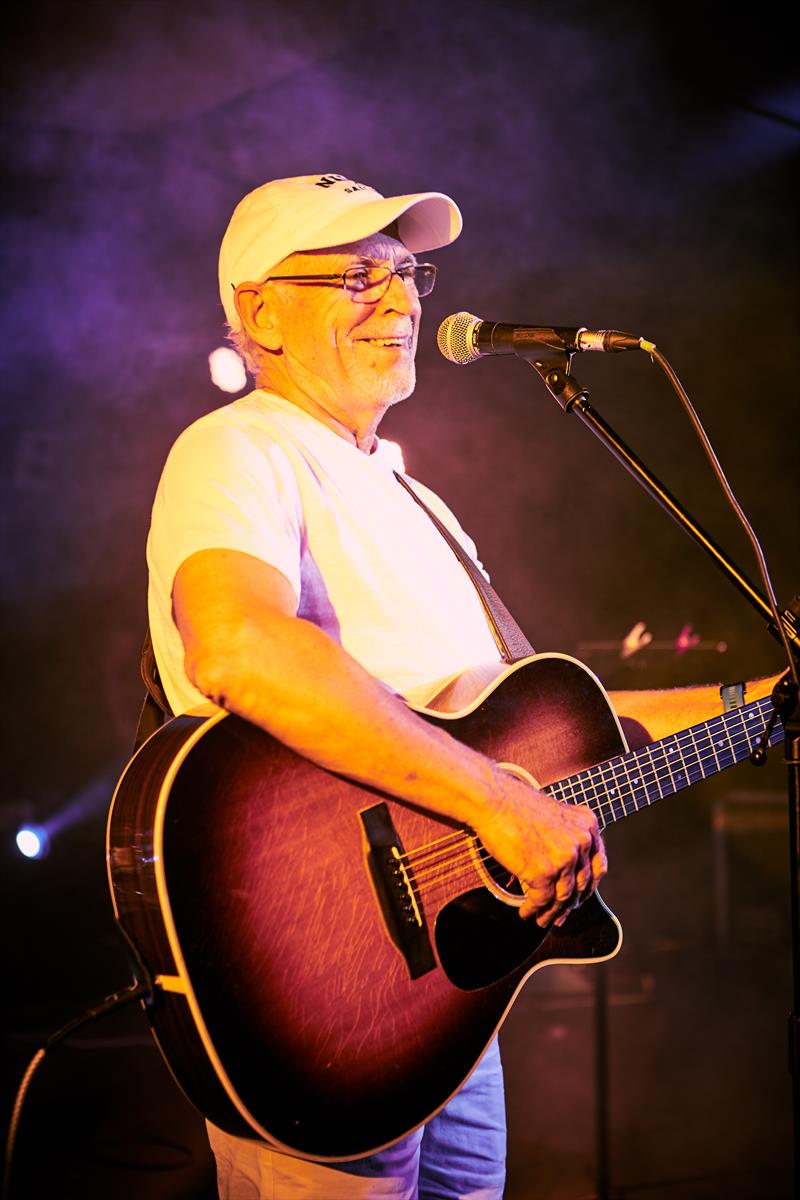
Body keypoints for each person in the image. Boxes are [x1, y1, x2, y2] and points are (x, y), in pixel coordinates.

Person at [146, 173, 780, 1199]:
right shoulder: (239, 449)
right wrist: (493, 801)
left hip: (443, 997)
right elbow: (236, 645)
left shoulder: (418, 498)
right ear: (256, 311)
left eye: (407, 276)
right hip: (319, 972)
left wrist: (763, 704)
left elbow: (561, 734)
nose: (400, 304)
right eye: (356, 277)